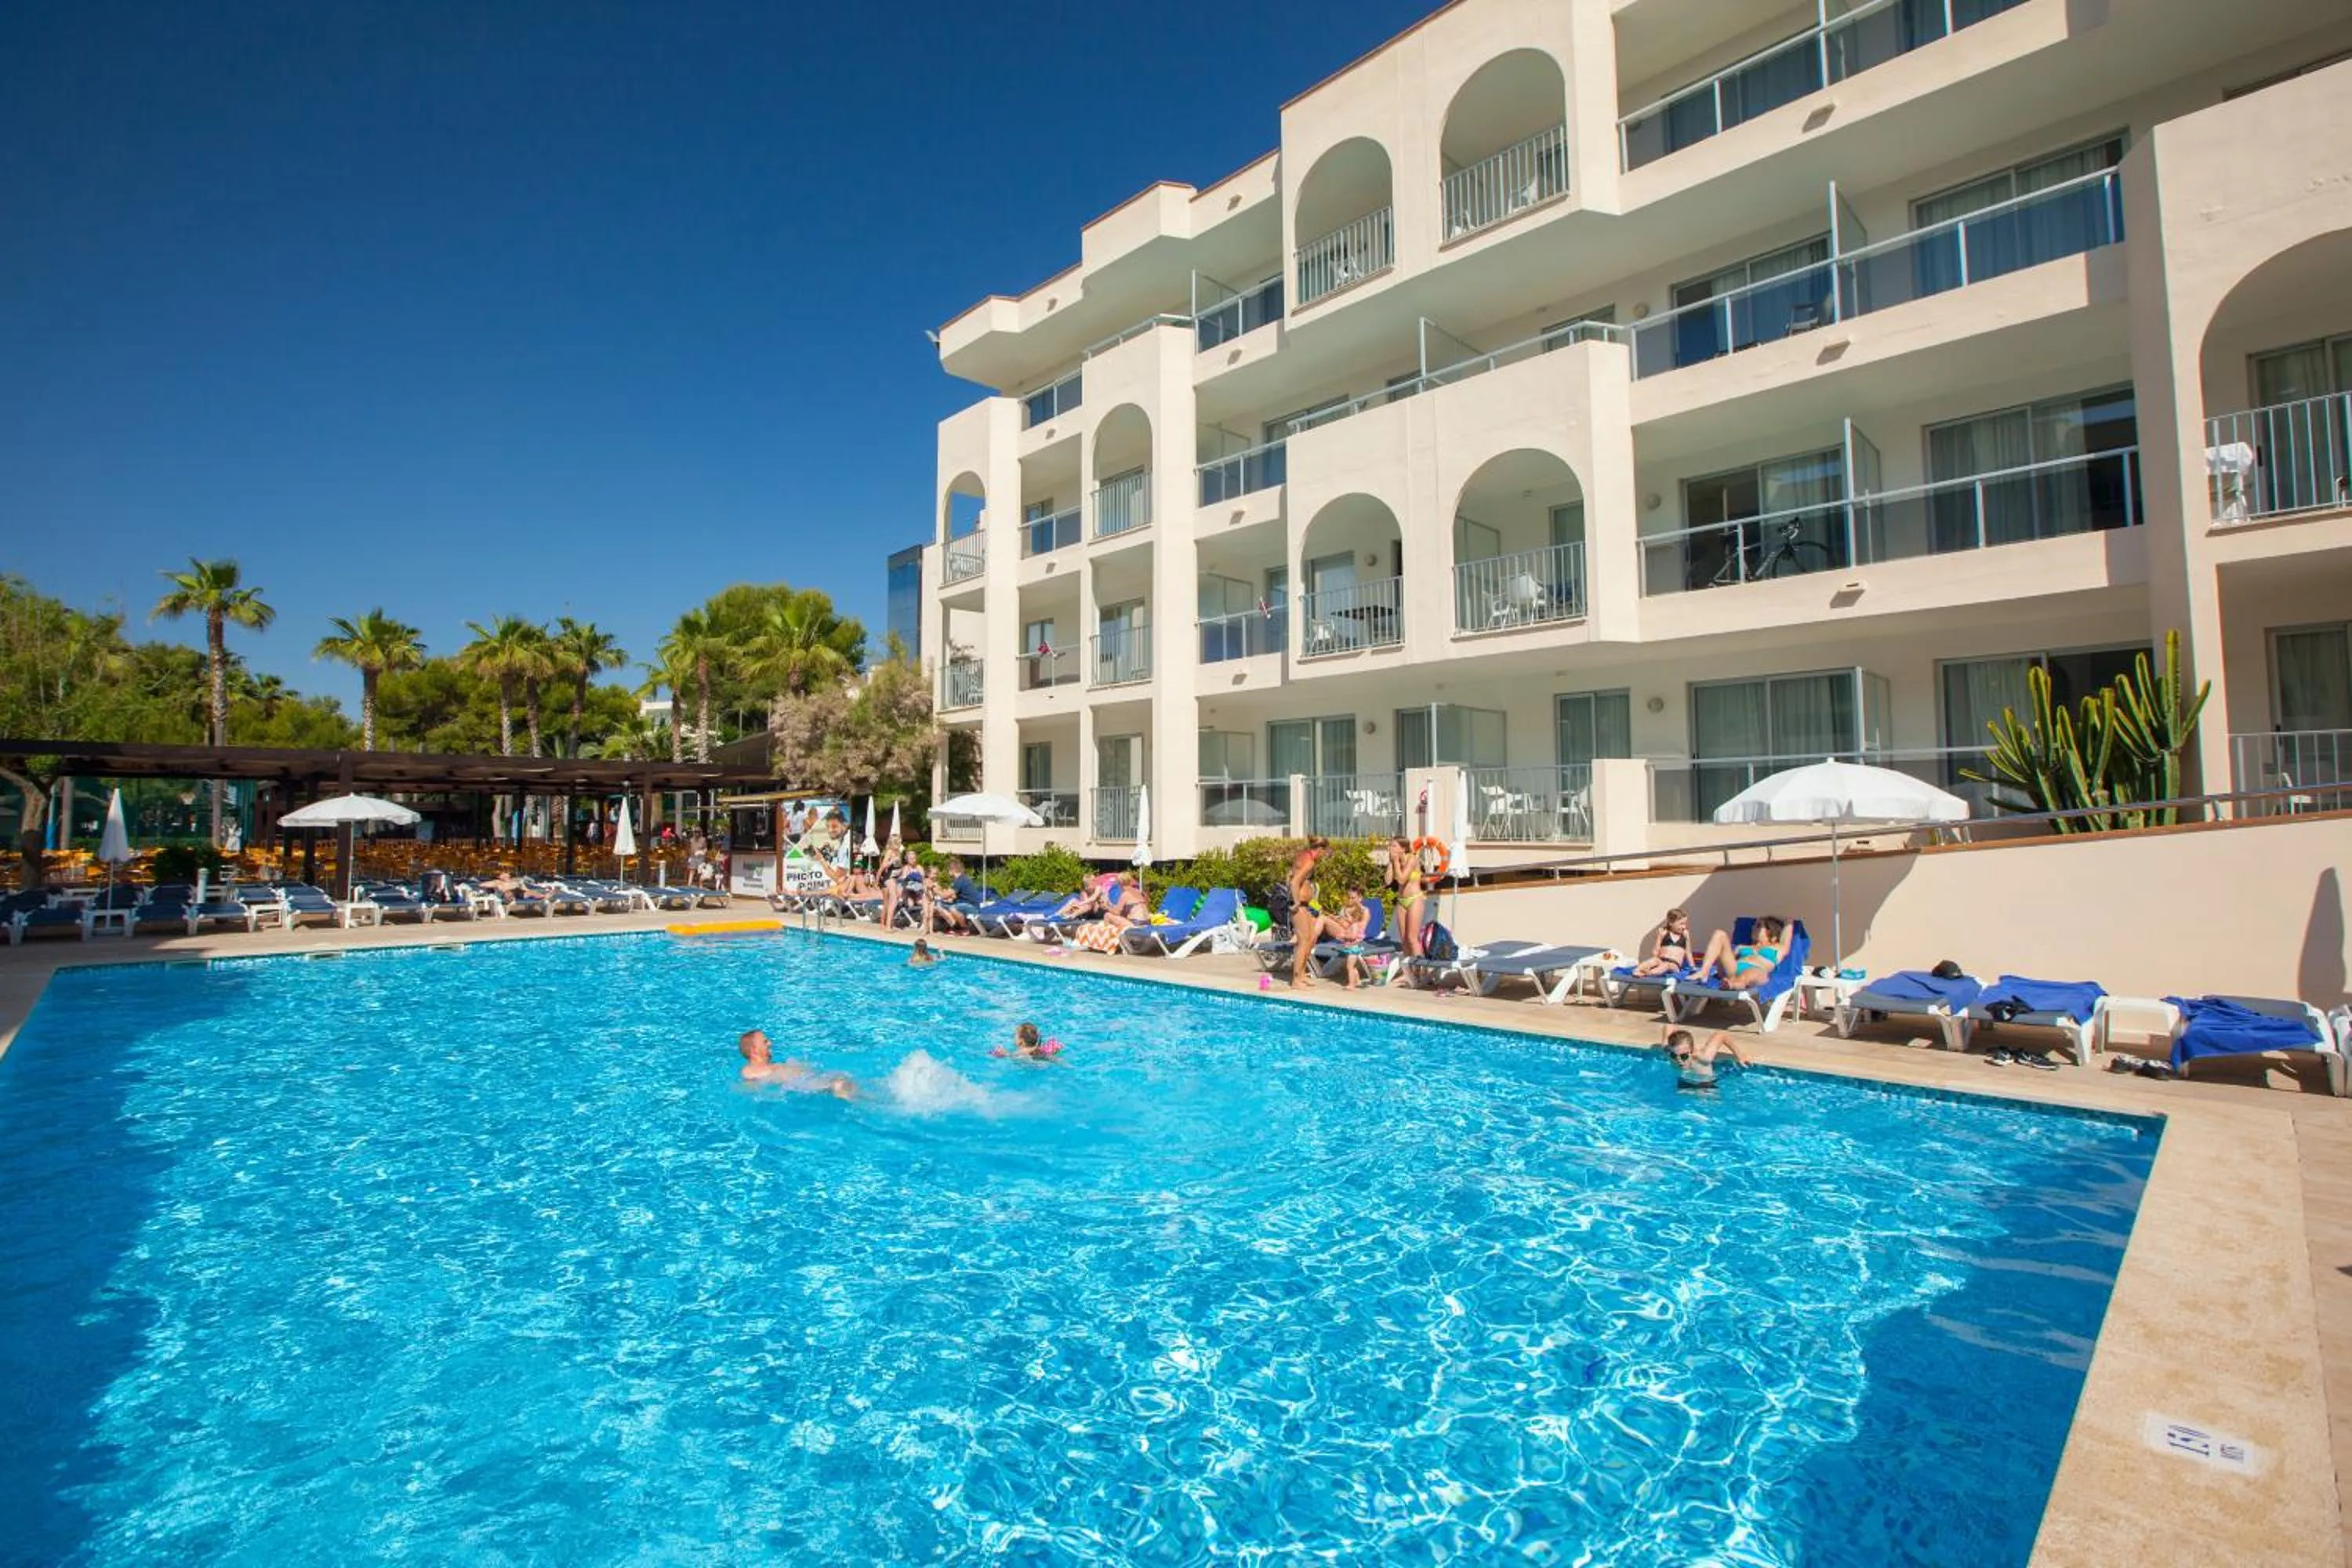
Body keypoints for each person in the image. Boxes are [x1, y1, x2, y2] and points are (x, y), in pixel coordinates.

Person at [736, 1029, 858, 1099]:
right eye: (765, 1042)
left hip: (811, 1082)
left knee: (845, 1084)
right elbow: (751, 1083)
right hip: (807, 1086)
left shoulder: (771, 1066)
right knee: (840, 1085)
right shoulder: (750, 1071)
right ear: (754, 1050)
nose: (770, 1043)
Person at [1693, 916, 1788, 992]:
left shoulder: (1778, 948)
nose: (1753, 928)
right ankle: (1704, 971)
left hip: (1757, 971)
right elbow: (1728, 960)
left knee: (1752, 972)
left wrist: (1790, 922)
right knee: (1719, 934)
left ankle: (1733, 984)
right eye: (1754, 925)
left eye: (1758, 926)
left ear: (1771, 932)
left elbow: (1787, 937)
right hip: (1733, 971)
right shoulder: (1742, 947)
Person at [1287, 838, 1330, 989]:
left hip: (1305, 905)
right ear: (1320, 849)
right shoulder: (1309, 861)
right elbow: (1294, 882)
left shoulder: (1302, 856)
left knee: (1311, 938)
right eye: (1324, 852)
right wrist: (1296, 901)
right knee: (1303, 941)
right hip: (1300, 905)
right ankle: (1296, 979)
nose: (1324, 856)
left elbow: (1289, 875)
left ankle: (1302, 974)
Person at [1383, 837, 1426, 960]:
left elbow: (1402, 879)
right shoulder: (1394, 861)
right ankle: (1408, 970)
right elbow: (1387, 881)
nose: (1390, 848)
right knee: (1404, 939)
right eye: (1390, 846)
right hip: (1402, 901)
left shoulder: (1412, 859)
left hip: (1415, 899)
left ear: (1403, 848)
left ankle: (1419, 969)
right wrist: (1391, 863)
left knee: (1412, 938)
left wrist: (1396, 863)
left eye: (1394, 846)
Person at [1664, 1026, 1748, 1087]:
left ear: (1692, 1051)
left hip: (1706, 1084)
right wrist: (1676, 1036)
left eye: (1684, 1056)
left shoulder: (1704, 1058)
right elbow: (1669, 1026)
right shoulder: (1670, 1054)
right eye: (1674, 1055)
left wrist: (1740, 1055)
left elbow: (1721, 1034)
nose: (1679, 1060)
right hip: (1685, 1083)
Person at [1630, 908, 1696, 978]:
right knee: (1653, 960)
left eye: (1685, 924)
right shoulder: (1664, 933)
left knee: (1666, 965)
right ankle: (1637, 970)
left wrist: (1692, 966)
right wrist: (1659, 936)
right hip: (1661, 960)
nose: (1684, 927)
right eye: (1681, 924)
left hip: (1674, 965)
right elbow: (1655, 952)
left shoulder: (1685, 934)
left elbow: (1688, 952)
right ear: (1671, 923)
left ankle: (1649, 973)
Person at [993, 1022, 1064, 1062]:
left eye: (1015, 1035)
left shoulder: (1022, 1051)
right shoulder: (1038, 1049)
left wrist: (1005, 1053)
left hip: (1032, 1064)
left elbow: (1012, 1056)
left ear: (1021, 1041)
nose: (1014, 1037)